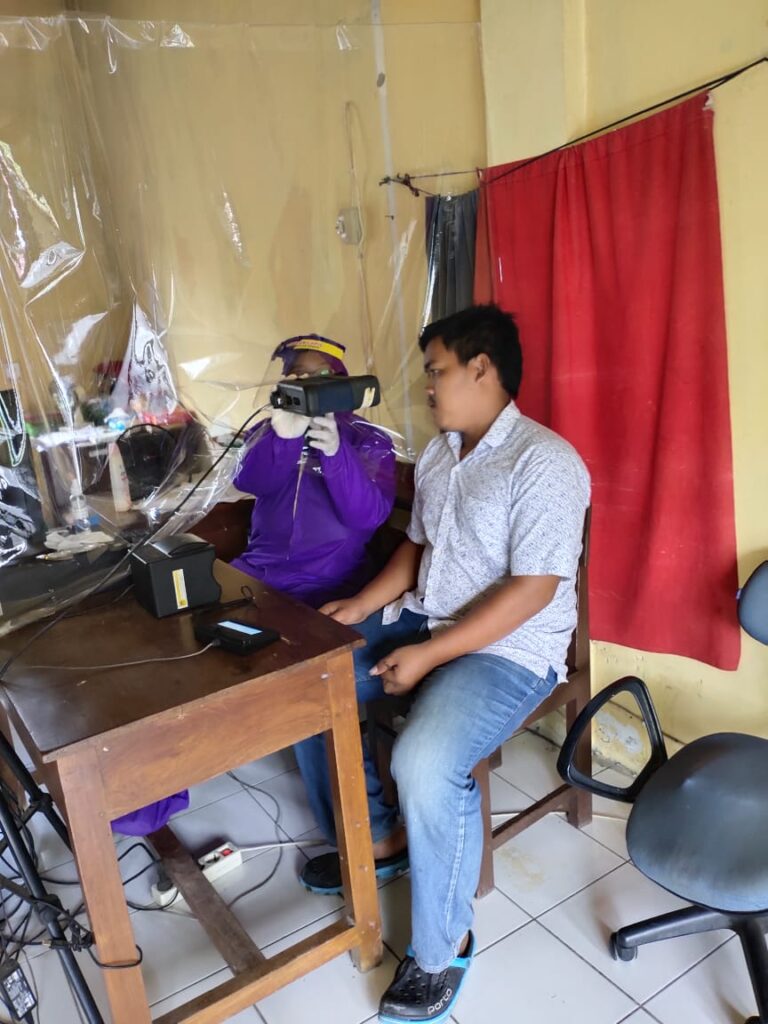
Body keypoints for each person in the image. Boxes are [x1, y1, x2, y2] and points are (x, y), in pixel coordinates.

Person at [298, 305, 591, 1024]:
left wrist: (429, 655)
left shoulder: (545, 462)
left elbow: (533, 591)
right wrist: (360, 606)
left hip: (511, 651)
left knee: (425, 761)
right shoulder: (440, 454)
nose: (427, 386)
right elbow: (418, 548)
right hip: (427, 619)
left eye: (436, 371)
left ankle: (441, 948)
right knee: (307, 685)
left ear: (481, 368)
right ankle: (383, 840)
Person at [231, 334, 396, 608]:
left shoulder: (367, 438)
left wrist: (336, 453)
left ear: (341, 380)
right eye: (298, 375)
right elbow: (250, 482)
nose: (309, 382)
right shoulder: (271, 428)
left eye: (321, 374)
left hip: (331, 582)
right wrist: (283, 439)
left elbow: (367, 516)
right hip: (259, 571)